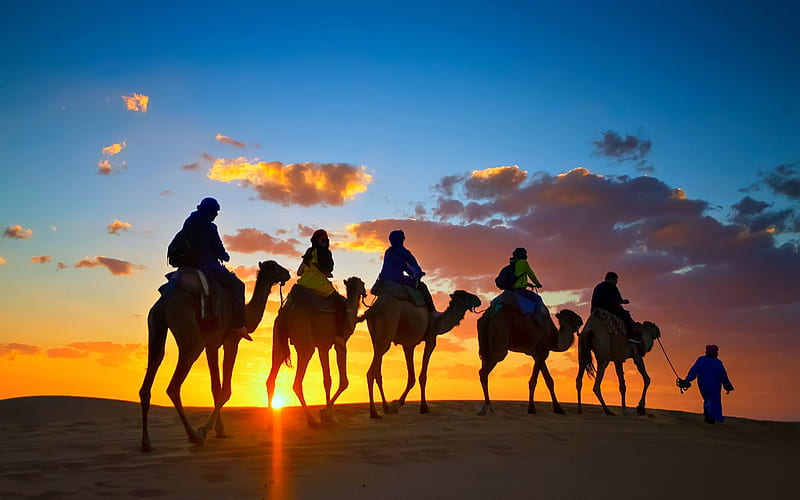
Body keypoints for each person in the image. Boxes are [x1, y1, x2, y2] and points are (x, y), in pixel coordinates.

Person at [181, 197, 250, 340]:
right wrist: (225, 256)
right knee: (238, 285)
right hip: (207, 265)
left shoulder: (189, 222)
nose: (216, 215)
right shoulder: (210, 227)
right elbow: (219, 250)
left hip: (189, 265)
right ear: (210, 211)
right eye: (215, 212)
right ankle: (238, 324)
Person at [295, 229, 348, 346]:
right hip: (319, 285)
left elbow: (299, 272)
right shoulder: (325, 252)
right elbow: (329, 268)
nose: (325, 241)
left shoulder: (309, 253)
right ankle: (339, 336)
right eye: (323, 239)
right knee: (342, 304)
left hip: (303, 285)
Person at [376, 230, 436, 313]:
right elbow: (414, 267)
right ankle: (433, 311)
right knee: (422, 287)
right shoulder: (404, 252)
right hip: (398, 279)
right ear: (401, 240)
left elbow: (403, 266)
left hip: (384, 280)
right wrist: (418, 273)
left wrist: (410, 271)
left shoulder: (388, 252)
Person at [678, 345, 734, 424]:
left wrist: (687, 380)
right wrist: (728, 387)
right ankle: (711, 416)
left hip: (703, 384)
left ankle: (708, 414)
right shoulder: (718, 363)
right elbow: (723, 376)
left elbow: (693, 371)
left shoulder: (701, 360)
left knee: (708, 399)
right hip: (714, 385)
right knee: (714, 400)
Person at [591, 271, 640, 348]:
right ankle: (631, 336)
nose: (616, 282)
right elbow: (617, 300)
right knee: (626, 315)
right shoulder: (612, 287)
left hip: (595, 310)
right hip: (607, 308)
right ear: (611, 279)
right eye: (616, 280)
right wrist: (624, 301)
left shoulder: (598, 286)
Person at [508, 247, 544, 317]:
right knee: (538, 299)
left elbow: (516, 278)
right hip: (520, 290)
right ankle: (537, 318)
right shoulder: (523, 262)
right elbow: (531, 274)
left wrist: (528, 284)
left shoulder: (513, 264)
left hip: (511, 290)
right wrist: (538, 284)